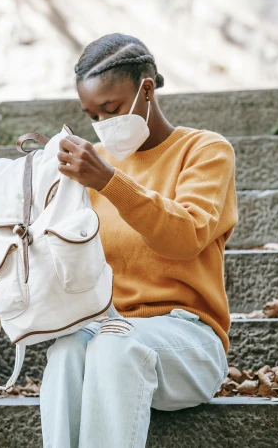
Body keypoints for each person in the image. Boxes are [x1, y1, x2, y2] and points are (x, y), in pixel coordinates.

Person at [42, 34, 238, 447]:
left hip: (188, 337)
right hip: (105, 326)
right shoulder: (92, 165)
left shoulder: (204, 150)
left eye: (110, 109)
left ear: (146, 89)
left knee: (114, 346)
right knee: (65, 352)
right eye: (92, 115)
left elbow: (186, 237)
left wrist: (111, 182)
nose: (101, 125)